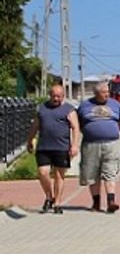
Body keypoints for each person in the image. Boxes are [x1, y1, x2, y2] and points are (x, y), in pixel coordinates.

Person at [25, 83, 80, 214]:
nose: (56, 99)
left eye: (59, 96)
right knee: (43, 173)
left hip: (61, 147)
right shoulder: (42, 108)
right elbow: (35, 126)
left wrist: (74, 145)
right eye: (54, 96)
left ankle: (57, 203)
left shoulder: (69, 109)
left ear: (63, 96)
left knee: (59, 175)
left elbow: (75, 127)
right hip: (44, 147)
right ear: (50, 95)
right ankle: (49, 197)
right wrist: (29, 140)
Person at [78, 82, 120, 213]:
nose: (106, 95)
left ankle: (111, 201)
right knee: (92, 174)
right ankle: (96, 203)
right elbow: (78, 123)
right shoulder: (85, 106)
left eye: (107, 92)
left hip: (111, 144)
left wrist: (116, 129)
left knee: (110, 172)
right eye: (103, 93)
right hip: (91, 144)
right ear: (96, 93)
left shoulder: (115, 104)